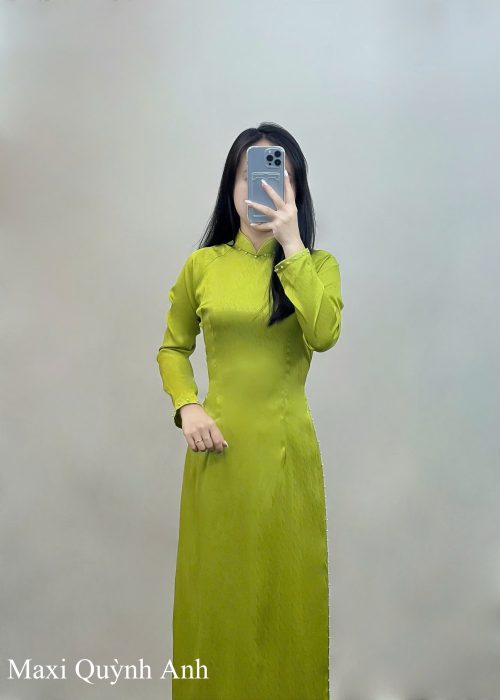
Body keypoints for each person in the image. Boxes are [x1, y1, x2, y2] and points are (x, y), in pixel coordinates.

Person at [156, 121, 344, 700]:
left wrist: (293, 247)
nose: (259, 188)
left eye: (276, 177)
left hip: (287, 458)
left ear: (295, 189)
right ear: (231, 187)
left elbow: (324, 334)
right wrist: (188, 407)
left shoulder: (317, 266)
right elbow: (172, 348)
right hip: (220, 457)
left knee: (285, 603)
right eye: (248, 176)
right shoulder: (203, 265)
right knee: (218, 602)